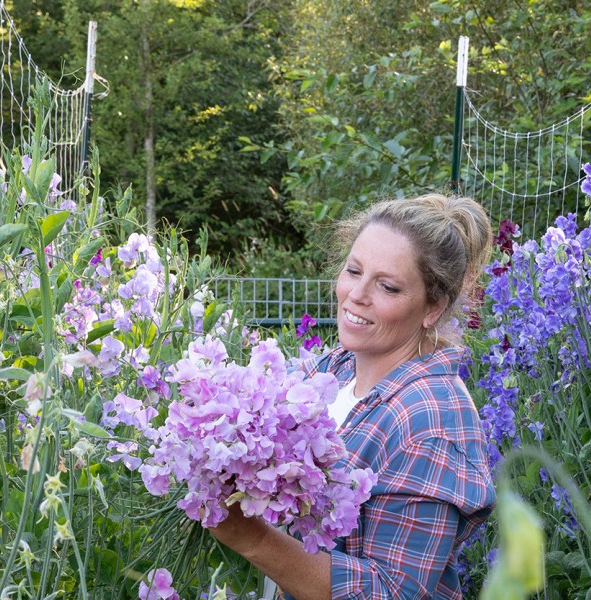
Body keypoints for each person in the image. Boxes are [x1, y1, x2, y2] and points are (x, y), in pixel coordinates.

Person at [209, 193, 496, 599]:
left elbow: (392, 591)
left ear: (433, 308)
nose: (357, 295)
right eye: (354, 270)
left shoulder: (430, 425)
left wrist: (252, 538)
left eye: (388, 286)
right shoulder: (334, 368)